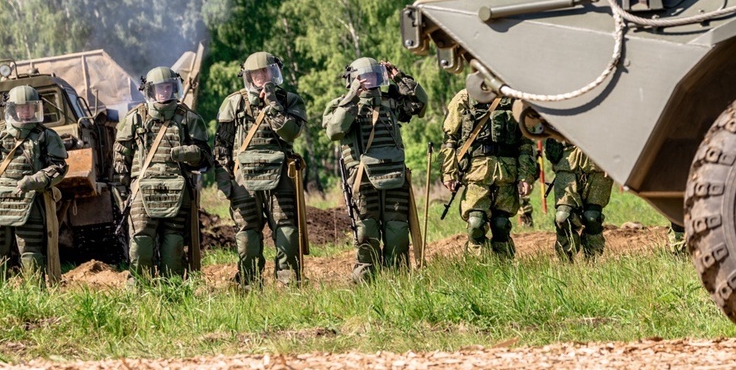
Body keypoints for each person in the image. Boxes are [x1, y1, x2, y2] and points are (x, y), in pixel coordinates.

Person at [323, 57, 427, 282]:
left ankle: (397, 280)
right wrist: (352, 96)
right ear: (352, 79)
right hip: (362, 179)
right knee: (366, 231)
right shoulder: (342, 104)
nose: (368, 81)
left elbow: (420, 104)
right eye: (363, 77)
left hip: (394, 176)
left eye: (373, 76)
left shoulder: (391, 102)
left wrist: (399, 78)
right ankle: (365, 282)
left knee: (398, 230)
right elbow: (334, 131)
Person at [213, 52, 308, 287]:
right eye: (255, 73)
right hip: (244, 180)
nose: (260, 77)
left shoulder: (288, 100)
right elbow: (221, 147)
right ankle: (249, 284)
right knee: (246, 236)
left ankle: (289, 284)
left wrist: (273, 105)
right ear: (247, 75)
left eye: (265, 72)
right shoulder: (233, 103)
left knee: (287, 233)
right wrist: (225, 183)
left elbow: (291, 132)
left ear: (274, 72)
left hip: (281, 178)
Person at [113, 66, 211, 281]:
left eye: (168, 87)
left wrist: (189, 152)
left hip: (177, 191)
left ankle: (173, 290)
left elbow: (206, 157)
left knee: (173, 246)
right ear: (150, 91)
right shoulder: (135, 119)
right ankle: (139, 290)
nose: (164, 93)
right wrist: (121, 191)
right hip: (142, 191)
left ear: (175, 88)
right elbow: (121, 158)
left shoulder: (188, 118)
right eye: (159, 88)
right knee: (141, 245)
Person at [0, 85, 68, 283]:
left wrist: (34, 181)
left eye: (30, 107)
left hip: (31, 202)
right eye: (22, 107)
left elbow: (59, 167)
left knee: (31, 256)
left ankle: (35, 299)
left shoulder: (46, 136)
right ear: (11, 108)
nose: (26, 111)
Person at [441, 90, 536, 258]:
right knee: (476, 223)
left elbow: (525, 142)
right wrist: (449, 172)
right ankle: (479, 266)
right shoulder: (465, 97)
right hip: (476, 171)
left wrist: (525, 176)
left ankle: (504, 266)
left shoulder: (515, 99)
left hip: (507, 171)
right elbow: (450, 139)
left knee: (501, 224)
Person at [543, 139, 615, 261]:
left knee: (592, 218)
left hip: (598, 162)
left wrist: (613, 158)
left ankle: (593, 260)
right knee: (562, 217)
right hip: (566, 160)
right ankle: (566, 261)